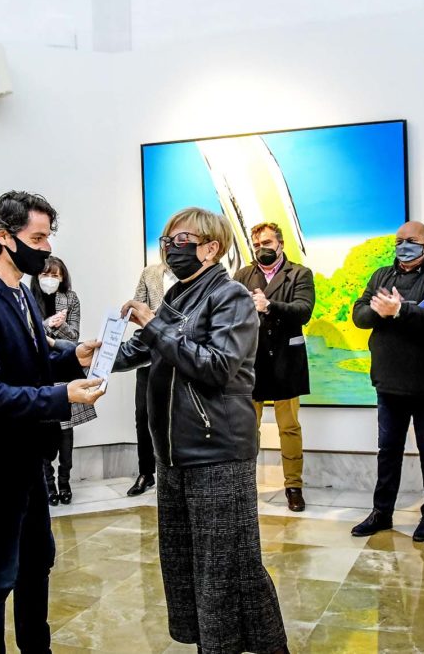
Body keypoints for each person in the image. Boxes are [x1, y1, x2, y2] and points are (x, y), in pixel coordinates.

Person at [114, 207, 288, 654]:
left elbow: (217, 367)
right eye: (168, 240)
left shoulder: (230, 296)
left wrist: (153, 326)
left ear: (211, 248)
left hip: (217, 450)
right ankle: (210, 644)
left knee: (227, 566)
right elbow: (141, 348)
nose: (172, 248)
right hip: (173, 452)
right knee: (188, 563)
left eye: (182, 239)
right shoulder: (179, 295)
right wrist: (82, 356)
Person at [0, 191, 105, 654]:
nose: (45, 248)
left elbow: (32, 367)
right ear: (3, 237)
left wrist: (72, 360)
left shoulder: (20, 293)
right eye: (37, 238)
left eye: (48, 237)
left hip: (28, 463)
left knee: (37, 567)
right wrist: (61, 397)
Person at [350, 221, 424, 542]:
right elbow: (359, 314)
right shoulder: (382, 275)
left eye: (410, 241)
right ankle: (381, 511)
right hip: (388, 380)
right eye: (399, 241)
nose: (403, 246)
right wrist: (381, 312)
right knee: (388, 450)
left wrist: (401, 311)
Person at [233, 222, 316, 512]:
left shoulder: (300, 274)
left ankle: (294, 487)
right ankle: (243, 485)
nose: (262, 249)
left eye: (267, 243)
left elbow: (304, 311)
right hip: (251, 363)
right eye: (257, 245)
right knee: (246, 428)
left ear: (280, 243)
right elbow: (230, 312)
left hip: (285, 360)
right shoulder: (243, 274)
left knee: (289, 427)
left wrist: (270, 306)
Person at [31, 255, 96, 506]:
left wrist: (57, 327)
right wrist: (47, 323)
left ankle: (65, 482)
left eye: (56, 275)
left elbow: (74, 336)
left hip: (64, 367)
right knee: (44, 427)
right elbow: (28, 333)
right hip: (39, 370)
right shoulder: (27, 297)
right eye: (46, 274)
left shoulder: (70, 298)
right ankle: (47, 485)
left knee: (66, 429)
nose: (50, 279)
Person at [127, 259, 176, 497]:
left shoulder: (196, 276)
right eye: (166, 242)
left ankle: (174, 472)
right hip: (149, 354)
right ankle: (146, 472)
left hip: (179, 354)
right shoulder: (150, 272)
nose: (171, 248)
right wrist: (142, 315)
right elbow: (137, 305)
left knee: (175, 414)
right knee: (143, 414)